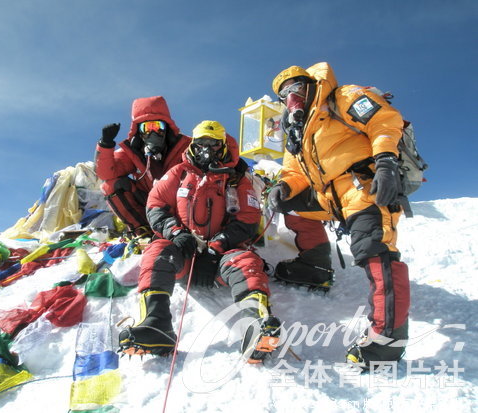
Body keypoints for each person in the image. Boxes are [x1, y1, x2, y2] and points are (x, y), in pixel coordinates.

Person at [267, 62, 410, 367]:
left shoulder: (341, 97)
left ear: (310, 85)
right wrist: (284, 188)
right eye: (284, 94)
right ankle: (315, 267)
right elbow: (295, 171)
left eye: (297, 87)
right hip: (330, 197)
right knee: (290, 206)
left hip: (362, 186)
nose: (292, 96)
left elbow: (383, 120)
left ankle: (387, 341)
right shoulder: (296, 131)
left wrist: (385, 160)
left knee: (374, 249)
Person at [118, 120, 281, 364]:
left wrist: (218, 246)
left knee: (245, 261)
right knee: (157, 250)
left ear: (223, 147)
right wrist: (175, 233)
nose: (207, 149)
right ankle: (155, 325)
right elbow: (155, 206)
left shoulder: (237, 179)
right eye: (201, 143)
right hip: (184, 255)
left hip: (222, 257)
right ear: (194, 144)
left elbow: (248, 217)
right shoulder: (179, 172)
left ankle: (257, 325)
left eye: (213, 144)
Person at [94, 96, 191, 237]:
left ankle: (192, 228)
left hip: (181, 200)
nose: (153, 133)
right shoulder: (132, 151)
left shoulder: (186, 146)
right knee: (111, 185)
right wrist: (105, 144)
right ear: (139, 131)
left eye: (157, 126)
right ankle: (143, 230)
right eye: (147, 127)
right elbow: (106, 173)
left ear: (166, 128)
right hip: (149, 203)